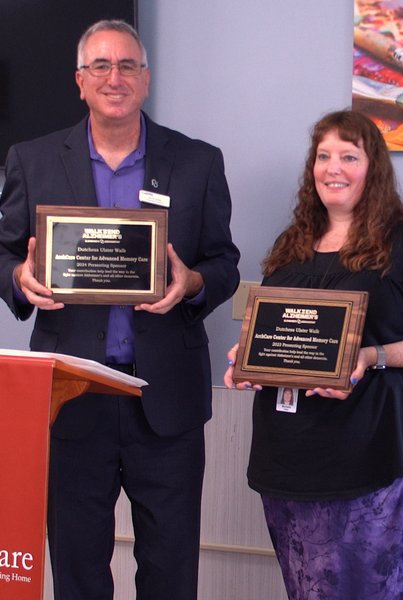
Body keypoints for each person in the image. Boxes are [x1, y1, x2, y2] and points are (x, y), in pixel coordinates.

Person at [0, 20, 240, 599]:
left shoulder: (197, 161)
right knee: (79, 568)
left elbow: (224, 261)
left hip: (167, 400)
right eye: (101, 67)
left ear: (146, 80)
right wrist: (18, 276)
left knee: (171, 566)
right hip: (73, 397)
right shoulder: (31, 160)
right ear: (80, 81)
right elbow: (3, 250)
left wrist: (193, 283)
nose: (115, 78)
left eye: (128, 66)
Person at [224, 109, 403, 600]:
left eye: (349, 155)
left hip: (369, 454)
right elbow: (277, 332)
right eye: (323, 156)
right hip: (288, 455)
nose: (333, 168)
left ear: (374, 168)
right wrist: (250, 356)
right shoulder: (292, 244)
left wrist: (373, 355)